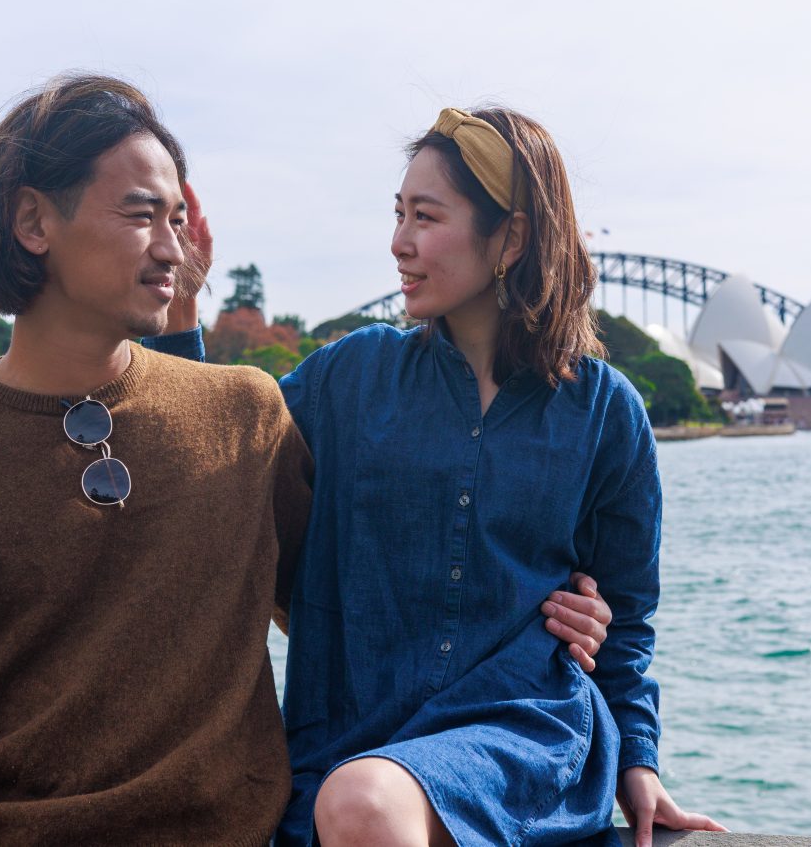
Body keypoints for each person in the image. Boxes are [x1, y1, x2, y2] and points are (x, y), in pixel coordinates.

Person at [154, 107, 725, 846]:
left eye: (426, 217)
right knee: (350, 797)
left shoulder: (605, 412)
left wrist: (638, 766)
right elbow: (210, 466)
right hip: (348, 736)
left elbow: (626, 619)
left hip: (522, 737)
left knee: (360, 802)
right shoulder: (349, 377)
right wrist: (179, 316)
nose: (399, 243)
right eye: (398, 214)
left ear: (511, 238)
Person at [0, 75, 315, 845]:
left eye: (177, 219)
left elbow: (347, 612)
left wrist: (559, 620)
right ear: (34, 222)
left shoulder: (245, 413)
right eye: (143, 215)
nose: (175, 247)